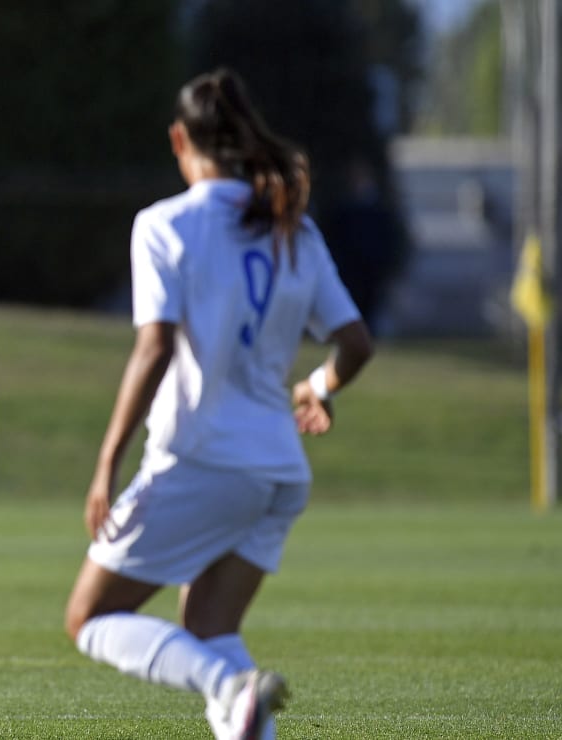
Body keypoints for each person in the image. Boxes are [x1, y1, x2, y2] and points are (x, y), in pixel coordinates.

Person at [63, 68, 374, 740]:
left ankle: (226, 686)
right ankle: (236, 694)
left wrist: (107, 463)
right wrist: (317, 389)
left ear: (180, 139)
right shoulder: (294, 228)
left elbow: (154, 349)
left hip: (200, 459)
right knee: (209, 628)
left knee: (87, 619)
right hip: (279, 471)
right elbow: (356, 343)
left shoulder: (165, 224)